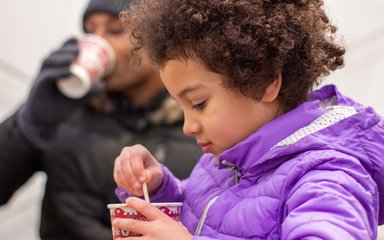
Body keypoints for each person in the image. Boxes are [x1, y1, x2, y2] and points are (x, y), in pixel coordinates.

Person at [112, 0, 384, 239]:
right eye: (181, 107)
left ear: (265, 82)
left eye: (199, 104)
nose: (188, 126)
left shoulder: (327, 178)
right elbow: (208, 218)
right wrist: (159, 189)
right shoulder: (224, 159)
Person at [0, 0, 201, 239]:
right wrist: (28, 125)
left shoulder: (199, 123)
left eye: (115, 30)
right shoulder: (61, 109)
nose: (98, 41)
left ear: (158, 39)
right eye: (90, 31)